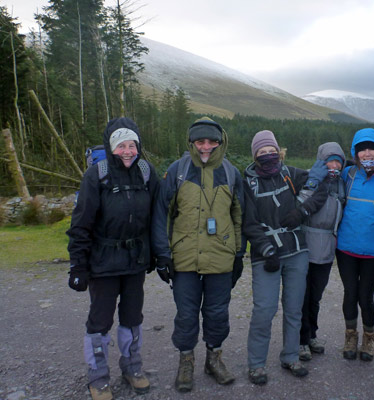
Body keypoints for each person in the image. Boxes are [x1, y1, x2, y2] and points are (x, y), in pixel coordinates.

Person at [67, 117, 159, 400]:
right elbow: (81, 223)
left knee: (132, 318)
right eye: (121, 146)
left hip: (134, 262)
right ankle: (98, 377)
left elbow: (156, 218)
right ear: (111, 148)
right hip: (103, 263)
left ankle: (132, 367)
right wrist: (78, 266)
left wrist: (157, 254)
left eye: (133, 145)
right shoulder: (97, 175)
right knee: (100, 321)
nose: (128, 151)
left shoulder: (146, 173)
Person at [151, 117, 244, 392]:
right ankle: (186, 362)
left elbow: (239, 216)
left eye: (211, 141)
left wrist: (239, 254)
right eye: (200, 142)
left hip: (221, 258)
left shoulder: (231, 173)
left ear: (220, 142)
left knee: (217, 314)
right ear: (191, 143)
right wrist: (162, 255)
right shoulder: (177, 171)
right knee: (186, 314)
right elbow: (161, 216)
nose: (206, 147)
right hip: (184, 260)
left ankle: (214, 360)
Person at [243, 130, 328, 385]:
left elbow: (320, 190)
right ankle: (256, 364)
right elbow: (247, 222)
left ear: (278, 151)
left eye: (271, 150)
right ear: (255, 156)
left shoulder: (291, 174)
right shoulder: (247, 182)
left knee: (294, 308)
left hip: (296, 251)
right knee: (264, 310)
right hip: (265, 255)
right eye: (261, 152)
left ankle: (290, 356)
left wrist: (302, 211)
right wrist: (266, 249)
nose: (268, 156)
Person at [336, 128, 374, 362]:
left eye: (372, 149)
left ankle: (369, 336)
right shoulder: (347, 175)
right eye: (362, 149)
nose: (367, 154)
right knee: (350, 293)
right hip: (346, 247)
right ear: (355, 153)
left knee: (365, 296)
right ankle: (350, 335)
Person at [298, 142, 347, 361]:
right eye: (329, 161)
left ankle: (312, 335)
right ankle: (300, 340)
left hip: (327, 249)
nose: (334, 166)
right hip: (305, 246)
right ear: (321, 161)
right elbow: (297, 208)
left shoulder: (342, 186)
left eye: (338, 161)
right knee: (302, 295)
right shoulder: (307, 178)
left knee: (315, 296)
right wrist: (312, 183)